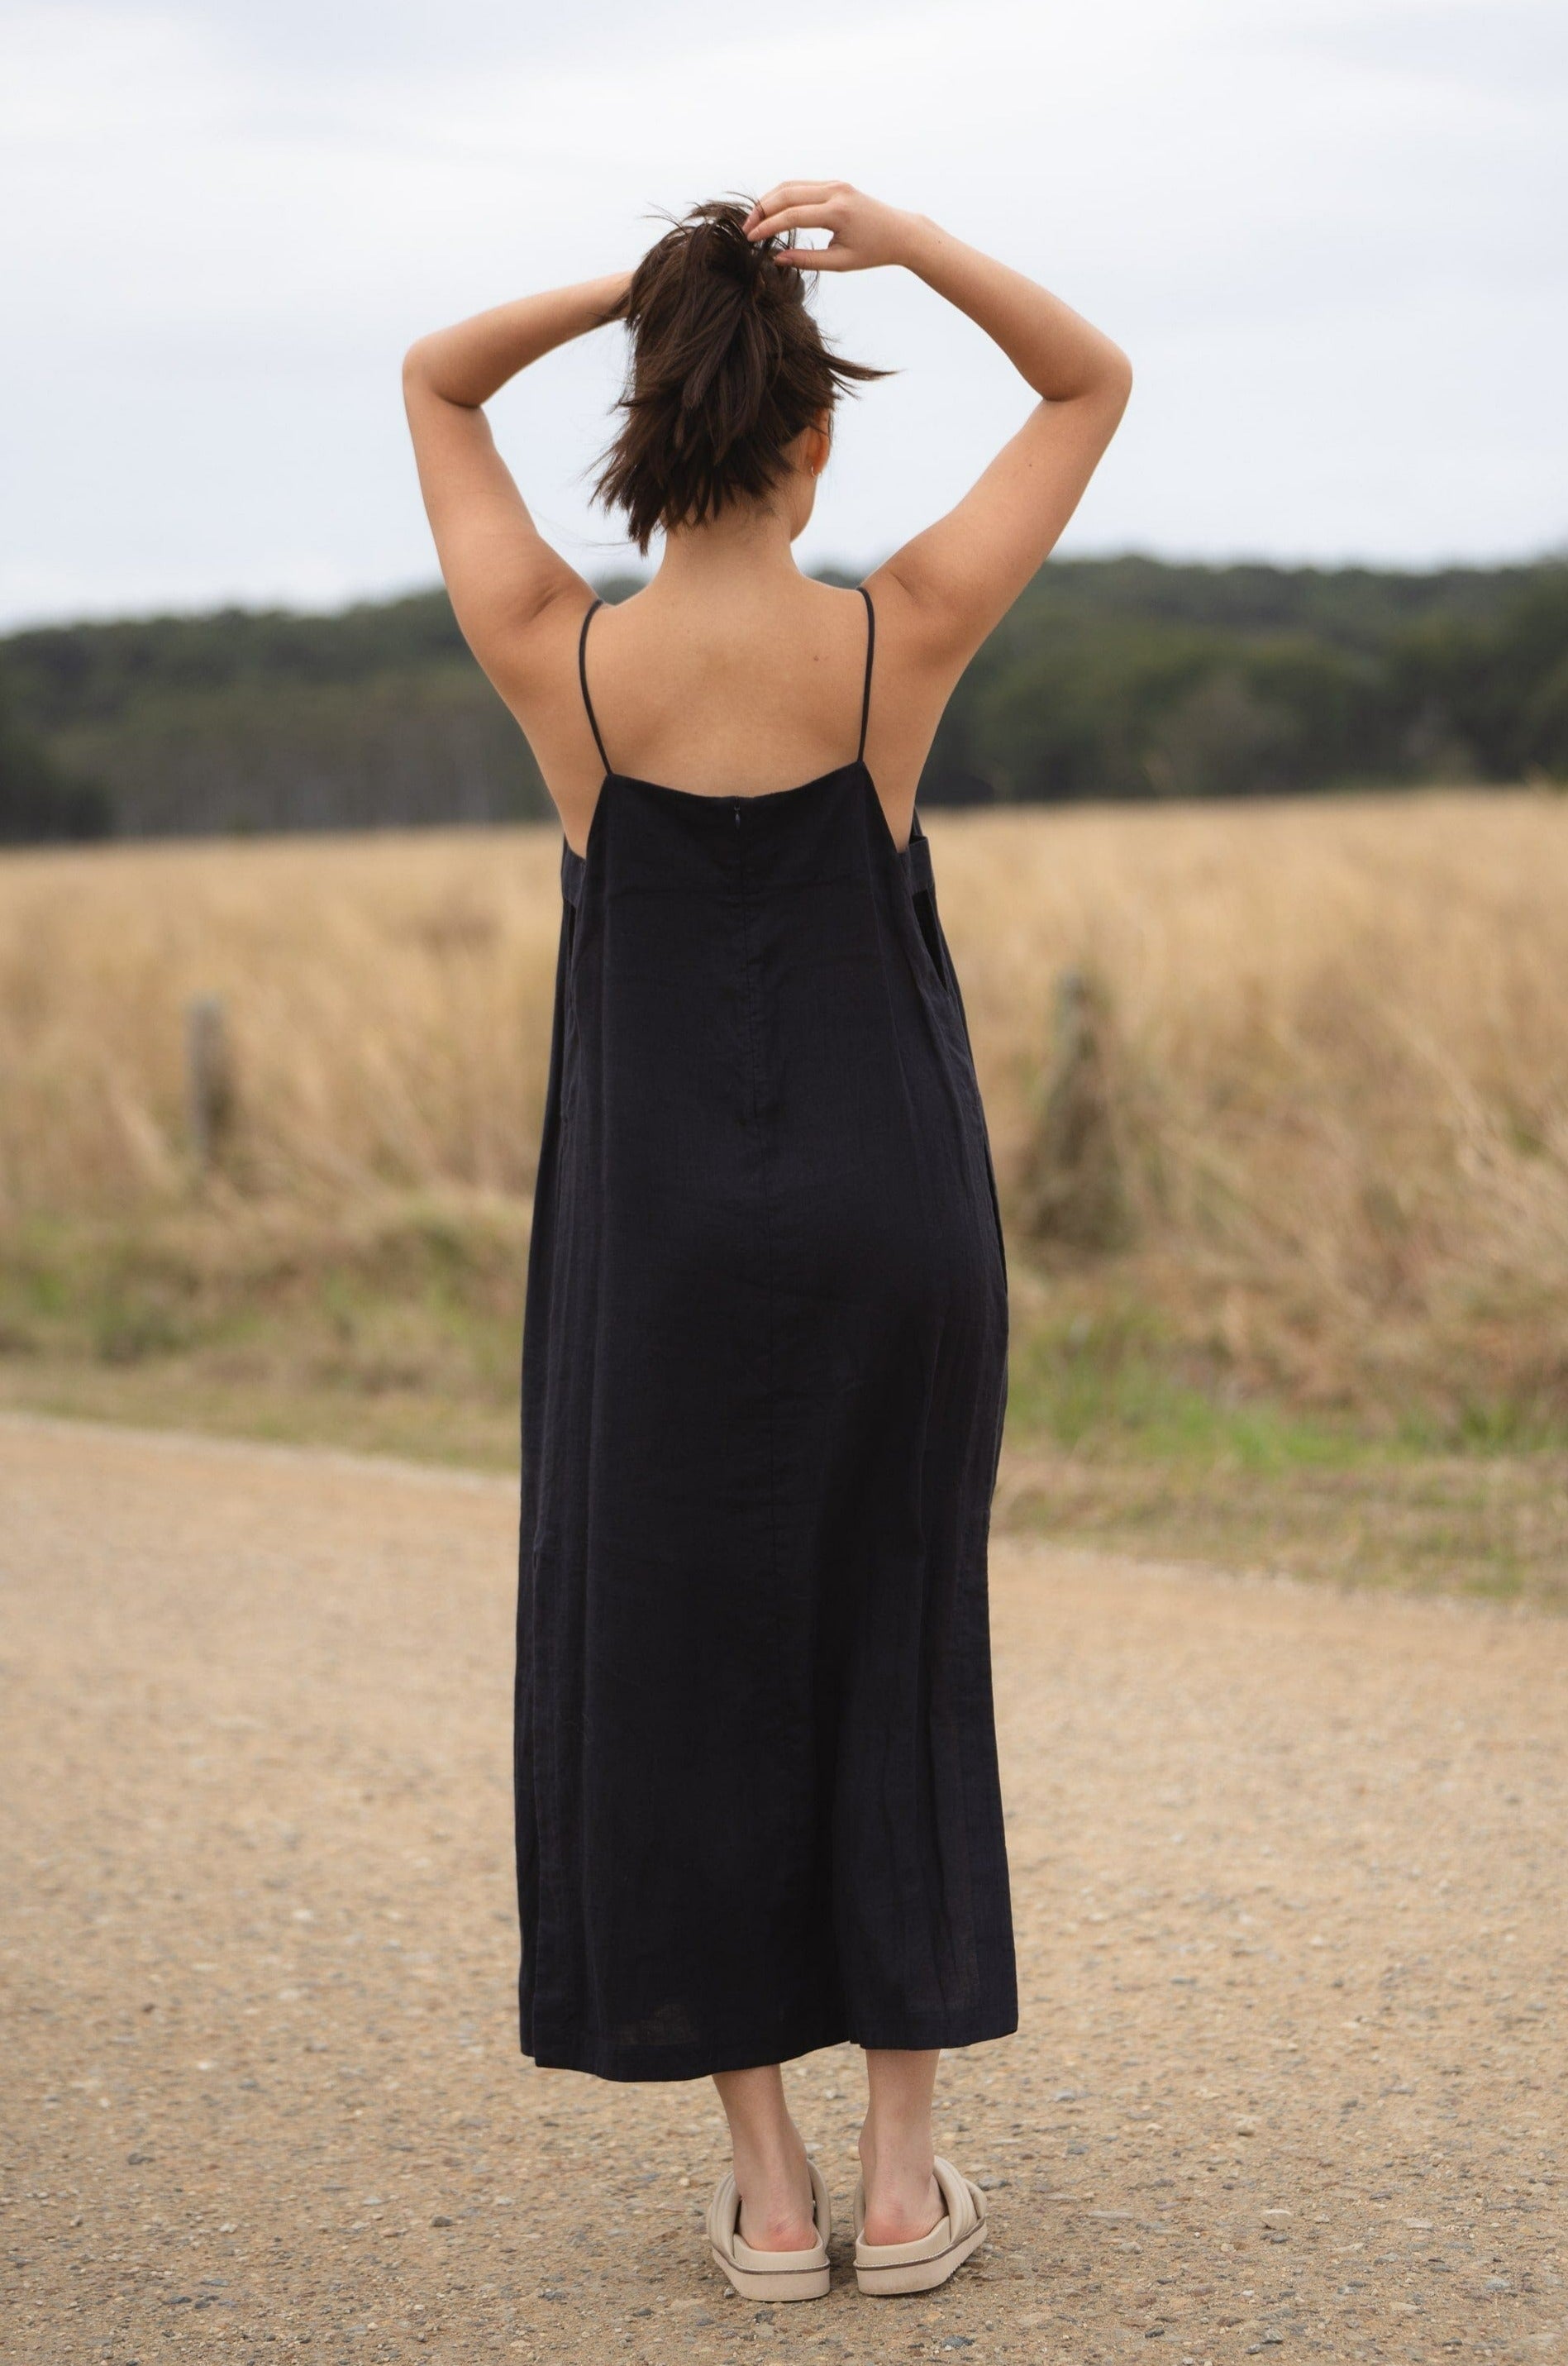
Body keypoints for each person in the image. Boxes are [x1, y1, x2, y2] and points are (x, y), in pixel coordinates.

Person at [403, 180, 1130, 2304]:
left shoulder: (566, 662)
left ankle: (775, 2196)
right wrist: (897, 241)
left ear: (645, 423)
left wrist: (645, 291)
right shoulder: (892, 634)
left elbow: (438, 376)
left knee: (682, 1659)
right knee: (890, 1639)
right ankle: (908, 2188)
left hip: (661, 1247)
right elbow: (1087, 380)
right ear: (813, 439)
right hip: (895, 1211)